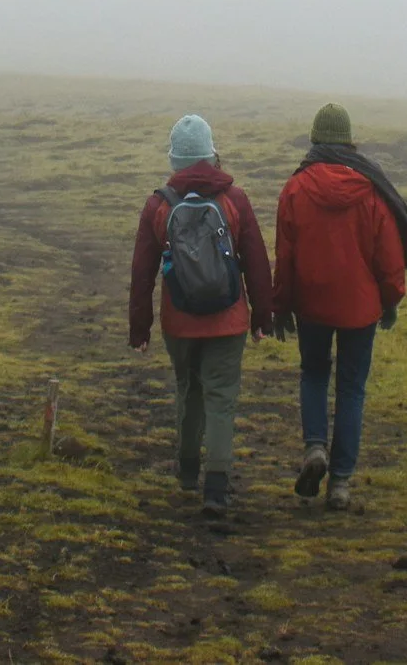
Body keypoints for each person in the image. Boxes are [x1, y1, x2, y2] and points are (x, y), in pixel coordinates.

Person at [271, 103, 407, 510]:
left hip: (311, 305)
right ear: (348, 140)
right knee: (351, 389)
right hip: (360, 309)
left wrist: (282, 305)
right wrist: (391, 300)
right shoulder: (371, 190)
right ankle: (340, 482)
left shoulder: (295, 188)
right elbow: (388, 257)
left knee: (313, 374)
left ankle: (314, 449)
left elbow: (285, 256)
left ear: (314, 139)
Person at [128, 114, 273, 515]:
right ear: (211, 154)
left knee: (188, 390)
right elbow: (257, 262)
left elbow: (142, 273)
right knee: (221, 397)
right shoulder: (235, 200)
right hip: (229, 320)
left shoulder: (158, 204)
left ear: (174, 158)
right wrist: (263, 316)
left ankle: (189, 472)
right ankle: (217, 484)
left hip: (180, 321)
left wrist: (140, 327)